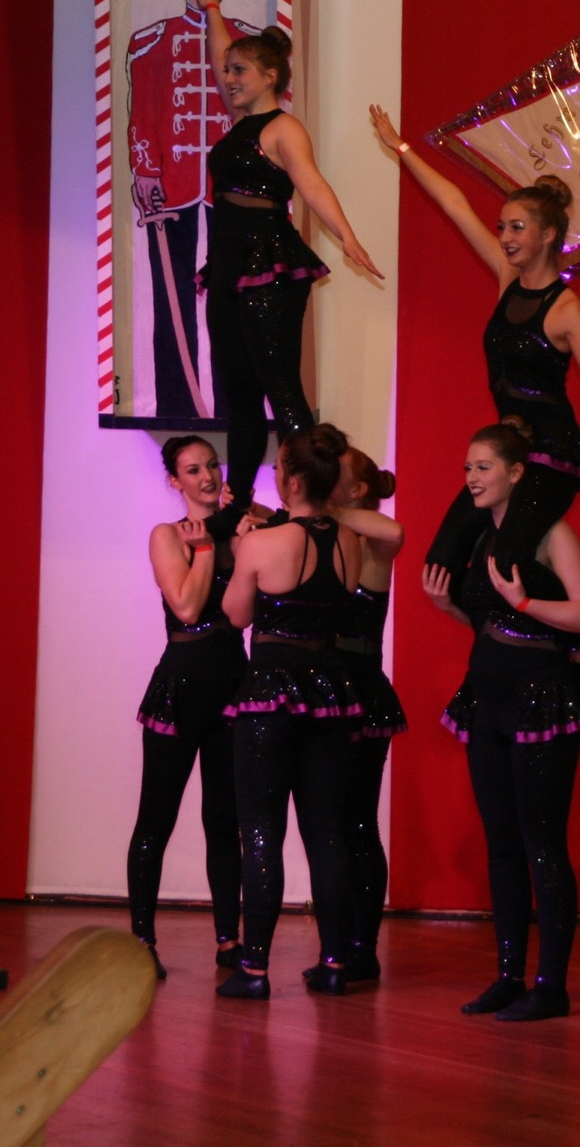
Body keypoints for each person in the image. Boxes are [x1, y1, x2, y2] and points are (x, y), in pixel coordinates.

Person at [370, 104, 580, 577]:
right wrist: (400, 147)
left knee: (504, 565)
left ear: (548, 235)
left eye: (516, 227)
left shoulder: (568, 310)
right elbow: (455, 205)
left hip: (553, 457)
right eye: (502, 226)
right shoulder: (508, 279)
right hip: (509, 450)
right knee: (441, 566)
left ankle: (571, 624)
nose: (504, 236)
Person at [424, 422, 580, 1022]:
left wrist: (525, 601)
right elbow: (493, 626)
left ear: (516, 472)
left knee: (542, 845)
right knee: (501, 846)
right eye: (467, 468)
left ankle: (550, 986)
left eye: (482, 467)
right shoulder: (483, 538)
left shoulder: (554, 534)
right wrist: (449, 606)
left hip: (541, 700)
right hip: (488, 700)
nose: (471, 478)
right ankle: (508, 977)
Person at [200, 0, 381, 516]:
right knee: (239, 390)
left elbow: (312, 185)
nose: (229, 78)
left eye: (240, 71)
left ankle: (314, 501)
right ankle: (239, 502)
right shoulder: (239, 122)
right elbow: (220, 54)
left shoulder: (283, 128)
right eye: (228, 70)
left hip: (267, 261)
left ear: (270, 77)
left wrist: (347, 237)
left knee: (279, 386)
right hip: (227, 262)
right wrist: (212, 10)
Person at [215, 425, 372, 999]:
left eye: (280, 469)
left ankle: (254, 968)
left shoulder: (264, 543)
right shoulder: (350, 541)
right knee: (326, 832)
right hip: (329, 689)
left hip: (271, 692)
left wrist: (241, 552)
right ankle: (334, 962)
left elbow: (236, 616)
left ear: (295, 480)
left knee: (261, 830)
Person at [124, 0, 258, 418]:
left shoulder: (249, 44)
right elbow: (143, 114)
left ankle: (234, 405)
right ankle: (176, 404)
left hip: (232, 188)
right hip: (173, 184)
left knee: (232, 298)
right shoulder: (151, 43)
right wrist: (146, 171)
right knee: (171, 298)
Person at [125, 435, 246, 978]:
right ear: (175, 481)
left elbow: (246, 613)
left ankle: (228, 940)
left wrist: (238, 532)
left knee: (224, 820)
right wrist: (205, 549)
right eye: (193, 469)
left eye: (212, 465)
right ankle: (141, 941)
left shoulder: (240, 533)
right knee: (157, 818)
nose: (207, 476)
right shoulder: (167, 535)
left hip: (232, 684)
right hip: (180, 687)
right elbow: (189, 607)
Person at [324, 446, 407, 982]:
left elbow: (394, 530)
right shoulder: (320, 535)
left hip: (361, 692)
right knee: (330, 824)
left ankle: (362, 945)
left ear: (356, 490)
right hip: (324, 690)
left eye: (334, 473)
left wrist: (322, 510)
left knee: (356, 821)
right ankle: (339, 943)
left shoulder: (372, 542)